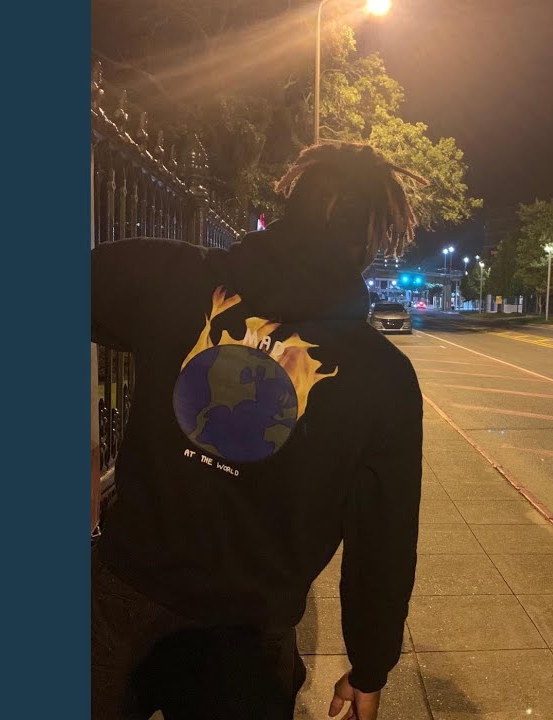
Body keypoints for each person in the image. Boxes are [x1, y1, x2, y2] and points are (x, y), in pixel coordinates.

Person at [91, 142, 427, 720]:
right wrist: (370, 666)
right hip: (245, 640)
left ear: (289, 206)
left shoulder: (171, 277)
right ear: (369, 245)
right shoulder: (383, 378)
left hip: (119, 595)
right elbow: (383, 542)